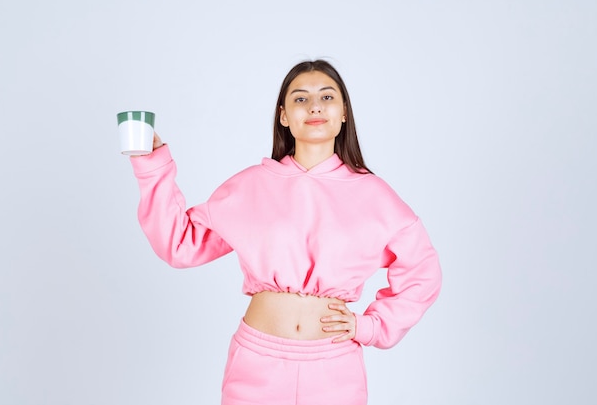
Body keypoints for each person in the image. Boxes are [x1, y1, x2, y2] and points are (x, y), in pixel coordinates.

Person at [129, 59, 442, 405]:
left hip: (334, 368)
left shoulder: (375, 195)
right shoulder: (251, 186)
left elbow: (422, 272)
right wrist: (153, 165)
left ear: (343, 114)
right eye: (300, 99)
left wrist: (369, 326)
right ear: (283, 116)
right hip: (256, 365)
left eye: (326, 97)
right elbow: (180, 243)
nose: (314, 107)